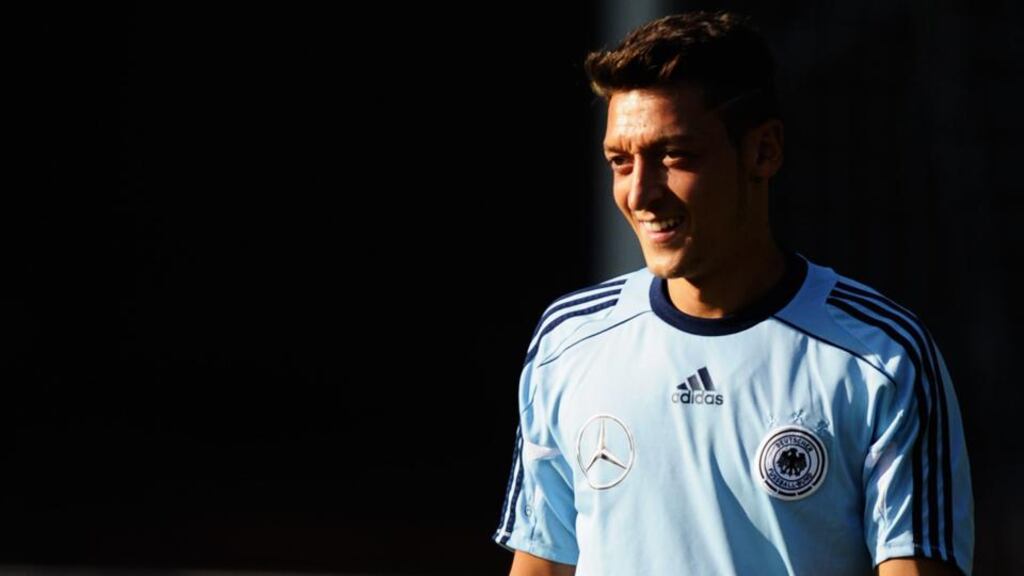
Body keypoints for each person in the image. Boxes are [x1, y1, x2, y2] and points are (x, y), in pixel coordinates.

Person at [492, 11, 974, 576]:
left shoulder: (881, 357)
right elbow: (542, 564)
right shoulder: (568, 341)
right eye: (620, 162)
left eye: (675, 156)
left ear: (763, 152)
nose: (640, 192)